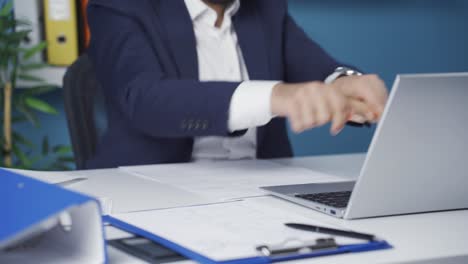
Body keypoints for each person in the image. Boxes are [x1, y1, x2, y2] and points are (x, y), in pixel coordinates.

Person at [85, 0, 388, 169]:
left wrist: (345, 83)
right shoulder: (119, 6)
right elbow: (144, 99)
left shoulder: (266, 9)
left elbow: (319, 69)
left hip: (261, 187)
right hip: (153, 189)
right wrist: (275, 96)